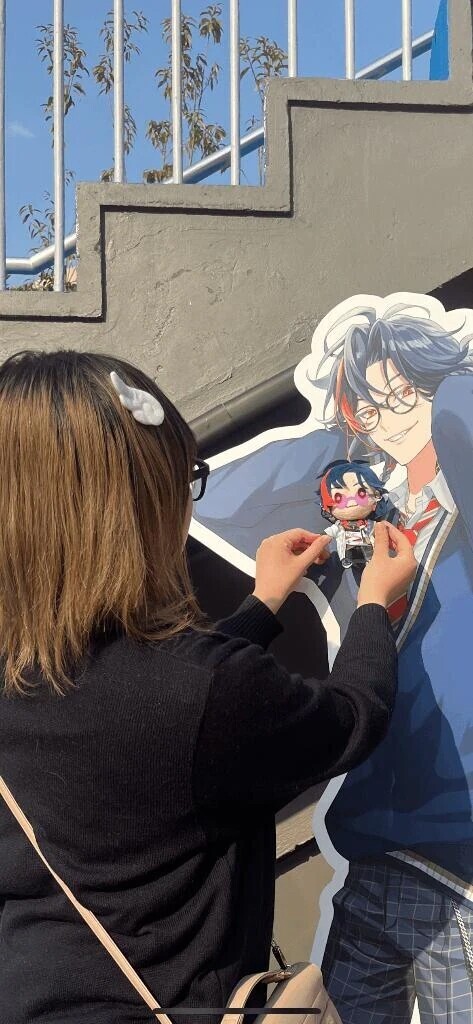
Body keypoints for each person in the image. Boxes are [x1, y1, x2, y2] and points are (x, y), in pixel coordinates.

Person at [0, 349, 415, 1024]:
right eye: (183, 479)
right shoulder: (198, 691)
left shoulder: (30, 671)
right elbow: (349, 719)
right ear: (137, 506)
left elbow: (159, 707)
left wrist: (262, 606)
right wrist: (373, 604)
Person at [313, 306, 473, 1022]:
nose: (391, 418)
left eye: (405, 393)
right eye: (372, 407)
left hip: (453, 847)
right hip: (375, 835)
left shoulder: (461, 477)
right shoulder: (382, 511)